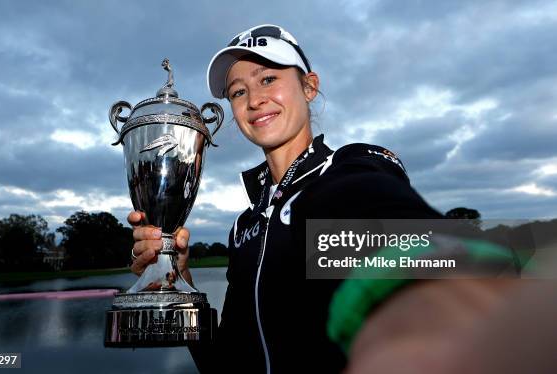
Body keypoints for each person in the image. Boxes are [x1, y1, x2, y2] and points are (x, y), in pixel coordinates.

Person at [128, 24, 519, 373]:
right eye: (238, 91)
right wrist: (181, 279)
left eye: (268, 79)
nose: (254, 99)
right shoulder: (244, 227)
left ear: (309, 87)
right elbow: (231, 360)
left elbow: (409, 240)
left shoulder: (350, 167)